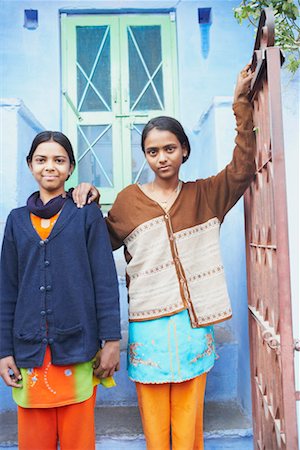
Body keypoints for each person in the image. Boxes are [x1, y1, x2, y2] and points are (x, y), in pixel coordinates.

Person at [73, 64, 255, 450]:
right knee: (155, 422)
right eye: (152, 151)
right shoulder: (128, 200)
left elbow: (243, 170)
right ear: (145, 156)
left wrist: (241, 102)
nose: (161, 158)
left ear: (184, 150)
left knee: (188, 422)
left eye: (169, 148)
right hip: (149, 324)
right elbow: (97, 243)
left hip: (193, 322)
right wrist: (86, 198)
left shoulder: (206, 195)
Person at [0, 131, 121, 450]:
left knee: (78, 441)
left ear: (70, 168)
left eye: (59, 160)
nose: (49, 167)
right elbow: (7, 290)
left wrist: (111, 341)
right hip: (30, 353)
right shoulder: (15, 221)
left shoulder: (85, 214)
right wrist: (3, 351)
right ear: (30, 165)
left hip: (78, 350)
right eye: (41, 159)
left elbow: (105, 280)